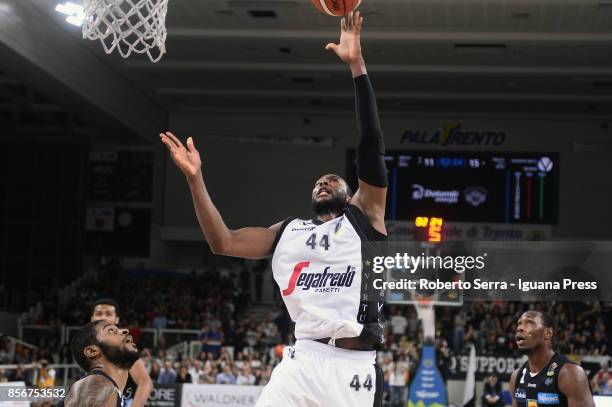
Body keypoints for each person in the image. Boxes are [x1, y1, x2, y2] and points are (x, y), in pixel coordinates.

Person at [160, 10, 386, 407]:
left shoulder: (364, 217)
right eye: (318, 180)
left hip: (352, 366)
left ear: (351, 192)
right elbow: (223, 242)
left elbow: (371, 144)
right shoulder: (289, 230)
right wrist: (195, 179)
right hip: (301, 360)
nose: (323, 181)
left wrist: (357, 66)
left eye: (333, 179)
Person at [509, 310, 595, 407]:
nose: (519, 328)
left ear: (548, 333)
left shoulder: (570, 374)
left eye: (529, 322)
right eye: (519, 323)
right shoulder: (516, 376)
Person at [59, 320, 139, 407]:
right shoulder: (96, 384)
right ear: (92, 351)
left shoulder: (107, 387)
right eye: (111, 330)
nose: (125, 331)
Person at [91, 299, 153, 407]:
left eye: (109, 314)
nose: (103, 317)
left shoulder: (124, 346)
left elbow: (145, 382)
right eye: (99, 314)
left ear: (116, 319)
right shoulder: (89, 346)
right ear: (92, 318)